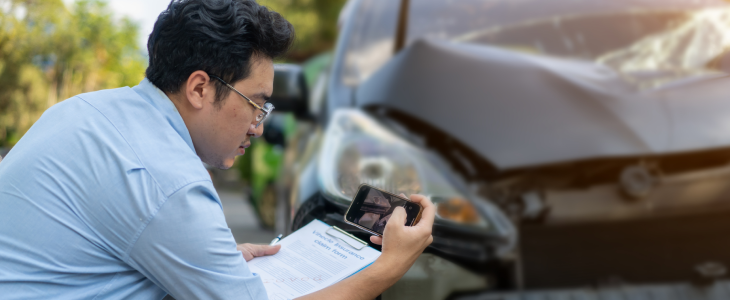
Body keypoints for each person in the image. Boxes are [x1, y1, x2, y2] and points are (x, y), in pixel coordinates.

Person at [0, 0, 434, 299]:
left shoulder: (88, 110)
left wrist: (206, 261)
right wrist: (388, 268)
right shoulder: (167, 180)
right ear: (200, 88)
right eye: (255, 105)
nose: (258, 127)